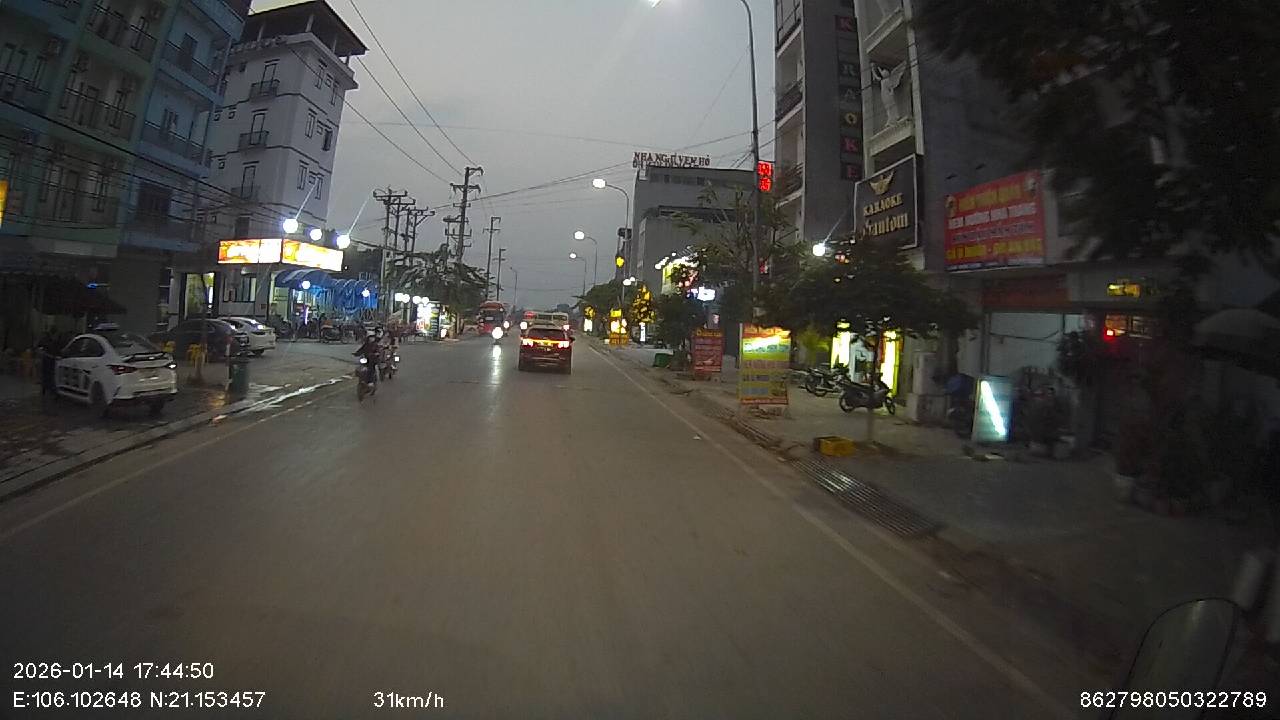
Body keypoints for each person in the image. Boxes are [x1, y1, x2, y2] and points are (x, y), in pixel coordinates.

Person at [36, 328, 59, 396]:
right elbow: (40, 349)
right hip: (47, 359)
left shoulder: (53, 341)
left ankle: (46, 388)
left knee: (48, 374)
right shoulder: (47, 341)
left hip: (49, 359)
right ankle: (48, 389)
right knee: (48, 374)